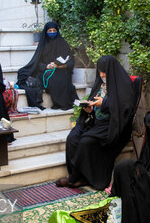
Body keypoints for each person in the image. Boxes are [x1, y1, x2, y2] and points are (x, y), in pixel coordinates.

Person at [56, 56, 134, 190]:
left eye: (104, 72)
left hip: (113, 124)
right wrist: (90, 109)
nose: (102, 75)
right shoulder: (101, 83)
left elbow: (124, 109)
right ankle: (77, 175)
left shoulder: (123, 84)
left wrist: (104, 103)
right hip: (96, 121)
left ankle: (78, 179)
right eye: (100, 71)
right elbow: (94, 101)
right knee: (73, 138)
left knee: (86, 141)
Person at [17, 22, 78, 110]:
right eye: (50, 31)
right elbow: (37, 62)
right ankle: (58, 103)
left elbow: (71, 59)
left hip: (62, 70)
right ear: (46, 32)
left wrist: (63, 66)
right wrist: (47, 66)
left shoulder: (63, 43)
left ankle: (64, 103)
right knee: (54, 79)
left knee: (64, 79)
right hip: (48, 71)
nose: (52, 32)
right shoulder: (43, 44)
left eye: (54, 30)